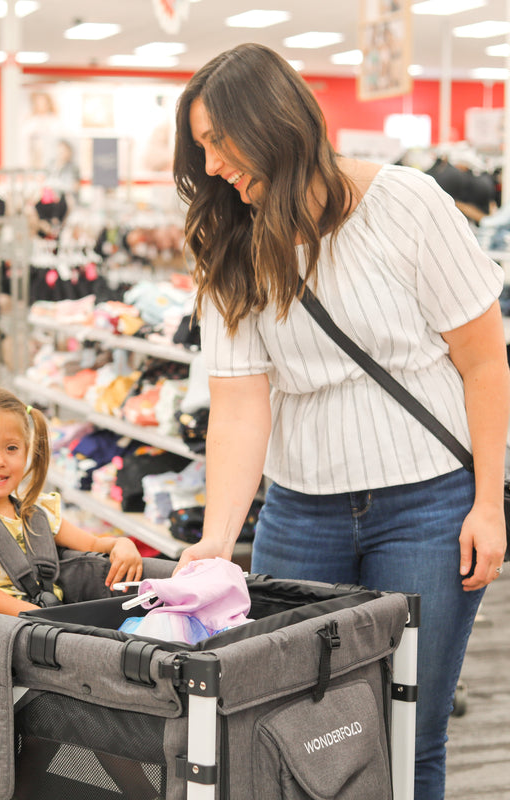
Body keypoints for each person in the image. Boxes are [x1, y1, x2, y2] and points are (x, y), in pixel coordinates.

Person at [171, 42, 509, 800]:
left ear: (275, 125)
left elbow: (487, 363)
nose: (214, 165)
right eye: (201, 149)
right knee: (294, 724)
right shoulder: (232, 243)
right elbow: (239, 403)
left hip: (429, 507)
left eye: (221, 142)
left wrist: (489, 502)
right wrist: (218, 542)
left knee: (409, 726)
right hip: (300, 514)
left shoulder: (409, 205)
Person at [0, 386, 143, 616]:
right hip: (7, 630)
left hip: (49, 623)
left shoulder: (35, 511)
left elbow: (94, 545)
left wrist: (121, 544)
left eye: (11, 448)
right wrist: (41, 616)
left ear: (26, 452)